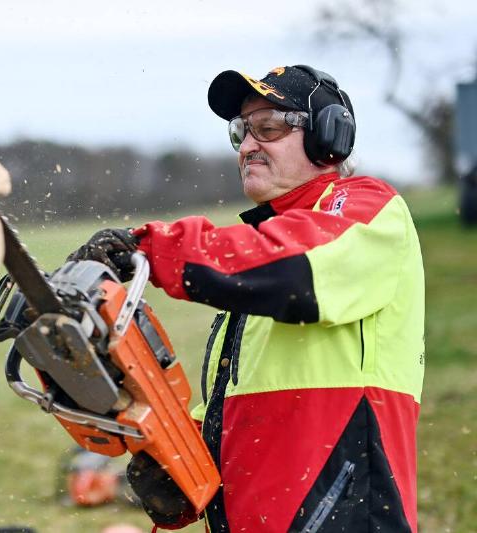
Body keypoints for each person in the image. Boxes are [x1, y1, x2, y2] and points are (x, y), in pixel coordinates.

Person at [68, 65, 425, 532]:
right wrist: (179, 467)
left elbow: (298, 267)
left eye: (269, 127)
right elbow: (236, 411)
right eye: (242, 131)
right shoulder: (256, 271)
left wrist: (152, 250)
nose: (249, 146)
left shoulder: (367, 211)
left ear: (329, 136)